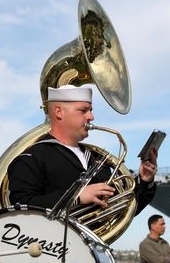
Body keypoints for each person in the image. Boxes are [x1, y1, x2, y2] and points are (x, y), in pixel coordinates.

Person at [8, 85, 158, 213]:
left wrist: (145, 181)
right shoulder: (32, 157)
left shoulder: (98, 159)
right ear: (59, 112)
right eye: (83, 110)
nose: (91, 116)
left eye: (91, 110)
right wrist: (76, 198)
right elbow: (20, 207)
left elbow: (124, 208)